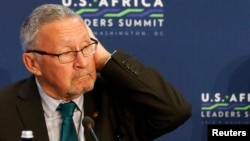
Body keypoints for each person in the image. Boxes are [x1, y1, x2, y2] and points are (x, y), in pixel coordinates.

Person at [0, 3, 191, 141]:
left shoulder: (117, 101)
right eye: (66, 53)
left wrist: (105, 60)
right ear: (33, 63)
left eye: (87, 47)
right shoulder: (4, 110)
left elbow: (175, 112)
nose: (82, 62)